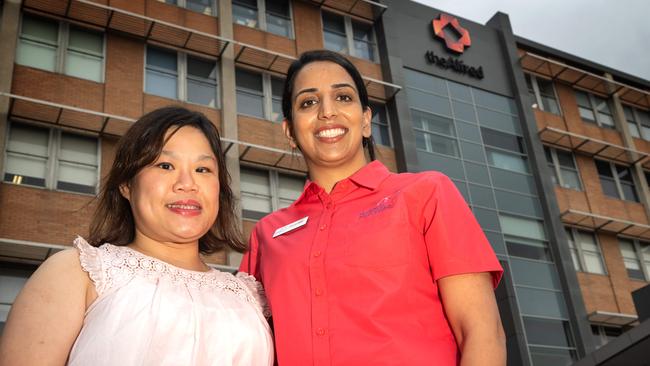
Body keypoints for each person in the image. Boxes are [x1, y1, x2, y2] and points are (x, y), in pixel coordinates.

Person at [239, 50, 506, 366]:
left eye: (343, 97)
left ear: (366, 120)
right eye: (308, 103)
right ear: (290, 133)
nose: (327, 111)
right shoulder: (266, 234)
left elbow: (482, 333)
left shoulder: (426, 193)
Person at [0, 106, 273, 366]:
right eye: (165, 165)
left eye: (203, 169)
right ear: (126, 184)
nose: (187, 184)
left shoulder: (250, 295)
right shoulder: (79, 272)